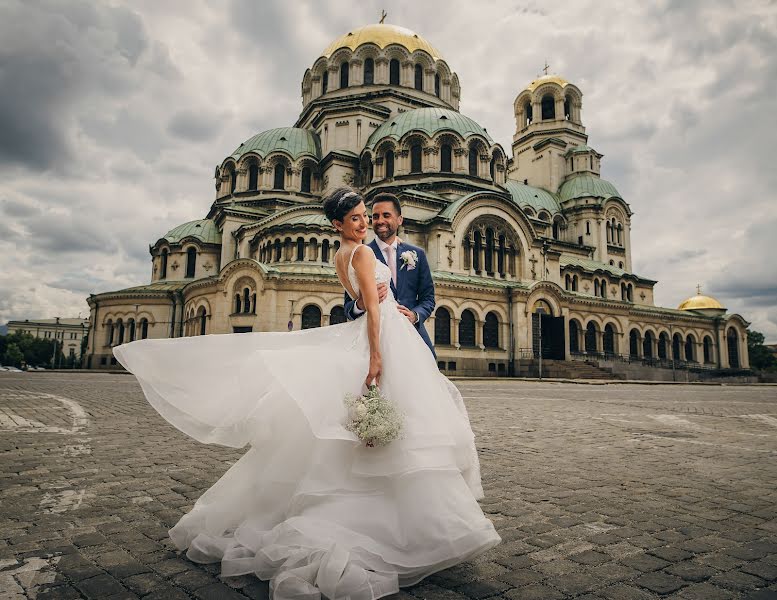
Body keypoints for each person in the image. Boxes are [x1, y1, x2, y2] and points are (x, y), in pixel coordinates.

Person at [113, 186, 500, 600]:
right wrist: (375, 357)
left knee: (372, 428)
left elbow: (361, 299)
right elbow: (368, 307)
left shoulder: (340, 256)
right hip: (384, 339)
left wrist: (380, 307)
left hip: (388, 333)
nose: (366, 222)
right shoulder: (364, 253)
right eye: (356, 218)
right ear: (338, 223)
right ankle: (400, 525)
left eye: (366, 215)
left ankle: (387, 512)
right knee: (399, 427)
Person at [344, 193, 436, 355]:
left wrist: (415, 315)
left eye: (386, 215)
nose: (380, 221)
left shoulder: (417, 254)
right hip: (374, 342)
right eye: (375, 216)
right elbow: (348, 308)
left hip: (413, 338)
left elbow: (428, 299)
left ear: (399, 219)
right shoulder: (358, 254)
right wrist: (360, 305)